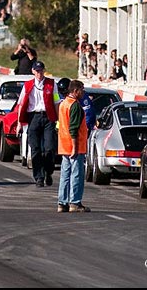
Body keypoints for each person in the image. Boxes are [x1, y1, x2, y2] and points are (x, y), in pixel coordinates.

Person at [17, 61, 59, 188]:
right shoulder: (28, 85)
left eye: (41, 71)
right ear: (33, 71)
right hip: (33, 117)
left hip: (48, 118)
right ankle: (38, 177)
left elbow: (56, 102)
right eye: (37, 71)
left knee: (49, 148)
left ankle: (48, 171)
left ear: (44, 71)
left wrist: (58, 120)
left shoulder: (52, 84)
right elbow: (21, 104)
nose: (39, 73)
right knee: (35, 149)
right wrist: (20, 123)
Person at [57, 79, 90, 213]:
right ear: (75, 91)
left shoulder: (64, 103)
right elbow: (74, 128)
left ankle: (62, 202)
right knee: (76, 174)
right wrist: (75, 147)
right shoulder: (75, 105)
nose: (83, 92)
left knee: (65, 175)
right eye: (81, 89)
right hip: (74, 146)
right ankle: (75, 202)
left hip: (64, 145)